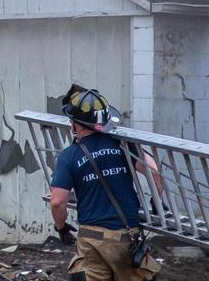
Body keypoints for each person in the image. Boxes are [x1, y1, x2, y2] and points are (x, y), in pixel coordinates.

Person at [50, 85, 161, 281]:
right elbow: (153, 170)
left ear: (76, 124)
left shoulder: (69, 156)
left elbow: (57, 202)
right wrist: (157, 202)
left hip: (92, 242)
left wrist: (61, 228)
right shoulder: (124, 145)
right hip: (127, 239)